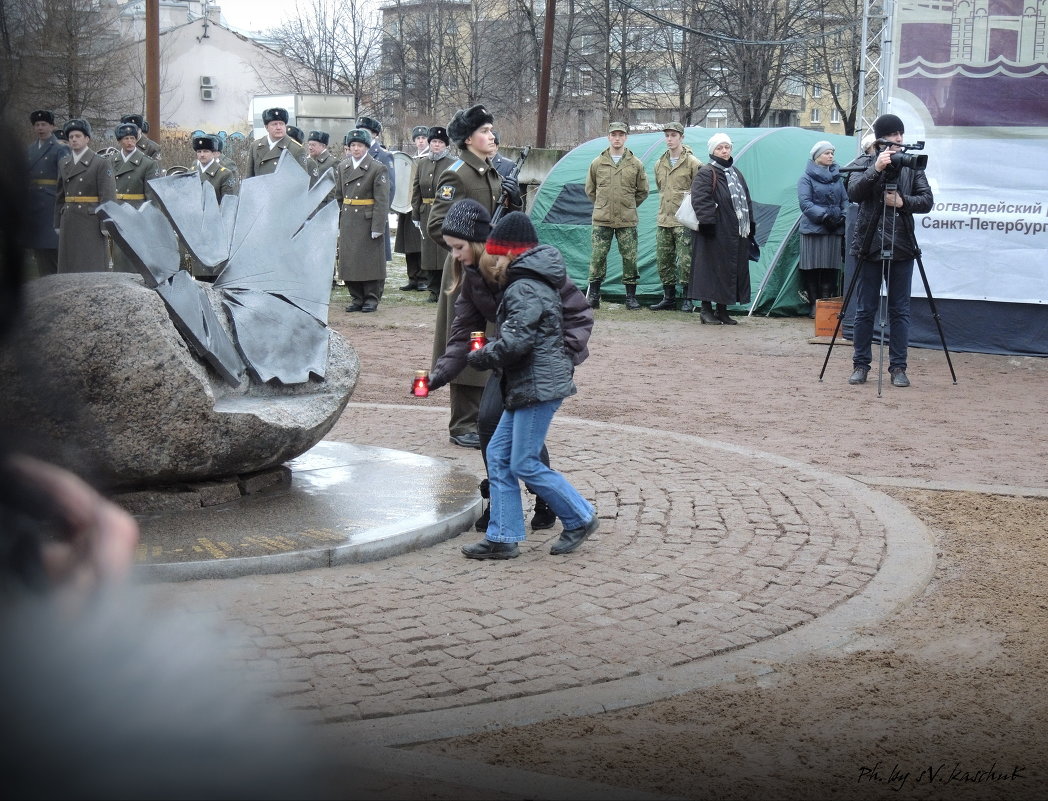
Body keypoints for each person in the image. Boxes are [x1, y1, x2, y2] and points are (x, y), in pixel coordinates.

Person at [428, 199, 593, 534]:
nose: (455, 256)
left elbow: (579, 313)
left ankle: (550, 501)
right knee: (491, 424)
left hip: (540, 363)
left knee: (523, 448)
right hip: (509, 360)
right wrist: (441, 374)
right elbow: (463, 333)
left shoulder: (524, 270)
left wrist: (563, 354)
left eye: (458, 248)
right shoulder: (475, 277)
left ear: (478, 243)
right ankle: (503, 518)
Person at [426, 104, 520, 450]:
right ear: (468, 139)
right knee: (468, 339)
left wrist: (514, 204)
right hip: (466, 273)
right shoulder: (457, 174)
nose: (491, 135)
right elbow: (437, 224)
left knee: (489, 340)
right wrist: (473, 248)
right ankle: (463, 422)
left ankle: (484, 416)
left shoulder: (492, 173)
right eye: (484, 131)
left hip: (492, 273)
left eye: (492, 129)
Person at [844, 113, 933, 388]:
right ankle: (861, 365)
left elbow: (927, 200)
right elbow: (853, 193)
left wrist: (902, 201)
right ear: (881, 138)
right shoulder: (864, 163)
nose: (899, 139)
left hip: (902, 246)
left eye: (901, 134)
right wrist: (876, 170)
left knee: (900, 310)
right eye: (894, 135)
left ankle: (898, 368)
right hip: (870, 246)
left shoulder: (912, 166)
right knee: (865, 309)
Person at [688, 132, 756, 325]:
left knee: (729, 271)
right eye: (720, 148)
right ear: (712, 151)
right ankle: (706, 310)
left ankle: (722, 310)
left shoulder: (735, 173)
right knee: (710, 271)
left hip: (734, 234)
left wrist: (749, 224)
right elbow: (700, 200)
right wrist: (708, 224)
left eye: (727, 147)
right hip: (713, 232)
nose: (724, 151)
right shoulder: (707, 172)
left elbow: (746, 200)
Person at [584, 121, 649, 310]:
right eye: (614, 135)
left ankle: (630, 297)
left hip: (627, 219)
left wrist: (627, 205)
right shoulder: (598, 163)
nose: (617, 138)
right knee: (597, 256)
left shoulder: (635, 164)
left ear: (626, 137)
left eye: (621, 135)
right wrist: (604, 204)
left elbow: (643, 191)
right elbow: (590, 190)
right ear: (609, 137)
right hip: (602, 218)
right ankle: (594, 295)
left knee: (630, 257)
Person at [335, 127, 390, 313]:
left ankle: (371, 298)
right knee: (350, 261)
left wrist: (378, 226)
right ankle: (356, 297)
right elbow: (339, 196)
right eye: (352, 145)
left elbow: (382, 200)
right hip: (349, 219)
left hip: (368, 220)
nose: (356, 149)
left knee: (369, 262)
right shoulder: (343, 167)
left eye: (359, 145)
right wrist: (340, 220)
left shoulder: (377, 168)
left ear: (366, 147)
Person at [54, 119, 116, 274]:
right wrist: (57, 222)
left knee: (90, 264)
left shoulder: (99, 163)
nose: (74, 139)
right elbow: (60, 195)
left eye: (78, 136)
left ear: (87, 138)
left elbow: (107, 196)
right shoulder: (64, 163)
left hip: (90, 221)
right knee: (68, 266)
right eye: (71, 137)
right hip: (68, 219)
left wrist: (106, 224)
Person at [651, 122, 701, 312]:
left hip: (683, 220)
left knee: (686, 260)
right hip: (664, 219)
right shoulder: (659, 163)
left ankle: (688, 297)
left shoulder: (693, 163)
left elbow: (699, 192)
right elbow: (661, 188)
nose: (670, 139)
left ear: (681, 137)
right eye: (667, 135)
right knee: (664, 260)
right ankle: (669, 297)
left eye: (673, 135)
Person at [797, 140, 848, 318]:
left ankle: (826, 304)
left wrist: (843, 215)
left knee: (829, 267)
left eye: (832, 153)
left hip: (834, 230)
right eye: (827, 153)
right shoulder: (805, 178)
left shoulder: (837, 178)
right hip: (813, 229)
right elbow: (805, 203)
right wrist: (824, 216)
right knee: (811, 268)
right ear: (817, 156)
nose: (831, 156)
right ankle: (813, 304)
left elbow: (845, 200)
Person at [110, 122, 160, 273]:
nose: (130, 142)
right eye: (126, 139)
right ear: (119, 141)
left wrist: (150, 218)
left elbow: (152, 196)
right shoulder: (111, 161)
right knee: (118, 254)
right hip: (116, 211)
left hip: (137, 212)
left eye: (132, 138)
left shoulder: (147, 163)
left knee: (134, 254)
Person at [411, 126, 455, 301]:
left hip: (444, 211)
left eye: (440, 142)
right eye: (434, 142)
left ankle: (445, 288)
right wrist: (415, 213)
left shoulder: (452, 164)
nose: (436, 145)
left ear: (446, 145)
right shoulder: (422, 163)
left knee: (443, 251)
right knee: (428, 253)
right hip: (426, 211)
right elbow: (416, 190)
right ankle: (433, 289)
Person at [25, 109, 69, 277]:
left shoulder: (59, 149)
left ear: (52, 126)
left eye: (44, 124)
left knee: (52, 252)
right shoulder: (30, 150)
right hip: (35, 205)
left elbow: (64, 179)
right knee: (39, 251)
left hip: (51, 204)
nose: (40, 128)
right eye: (37, 125)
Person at [355, 115, 395, 261]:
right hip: (357, 213)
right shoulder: (354, 154)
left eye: (365, 130)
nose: (361, 133)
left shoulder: (383, 156)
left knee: (375, 256)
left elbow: (389, 188)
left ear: (375, 134)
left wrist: (381, 214)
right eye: (358, 130)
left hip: (374, 212)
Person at [396, 124, 430, 292]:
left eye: (423, 138)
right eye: (418, 139)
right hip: (407, 208)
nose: (421, 141)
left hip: (422, 206)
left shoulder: (430, 160)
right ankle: (413, 277)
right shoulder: (410, 160)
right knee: (409, 246)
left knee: (421, 244)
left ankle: (423, 278)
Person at [248, 107, 306, 177]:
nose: (278, 127)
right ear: (266, 127)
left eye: (281, 124)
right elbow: (249, 178)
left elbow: (301, 180)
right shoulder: (255, 146)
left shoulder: (296, 149)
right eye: (274, 124)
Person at [305, 130, 339, 196]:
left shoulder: (333, 162)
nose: (310, 148)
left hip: (323, 203)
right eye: (309, 144)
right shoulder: (307, 160)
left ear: (323, 146)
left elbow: (334, 189)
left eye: (313, 145)